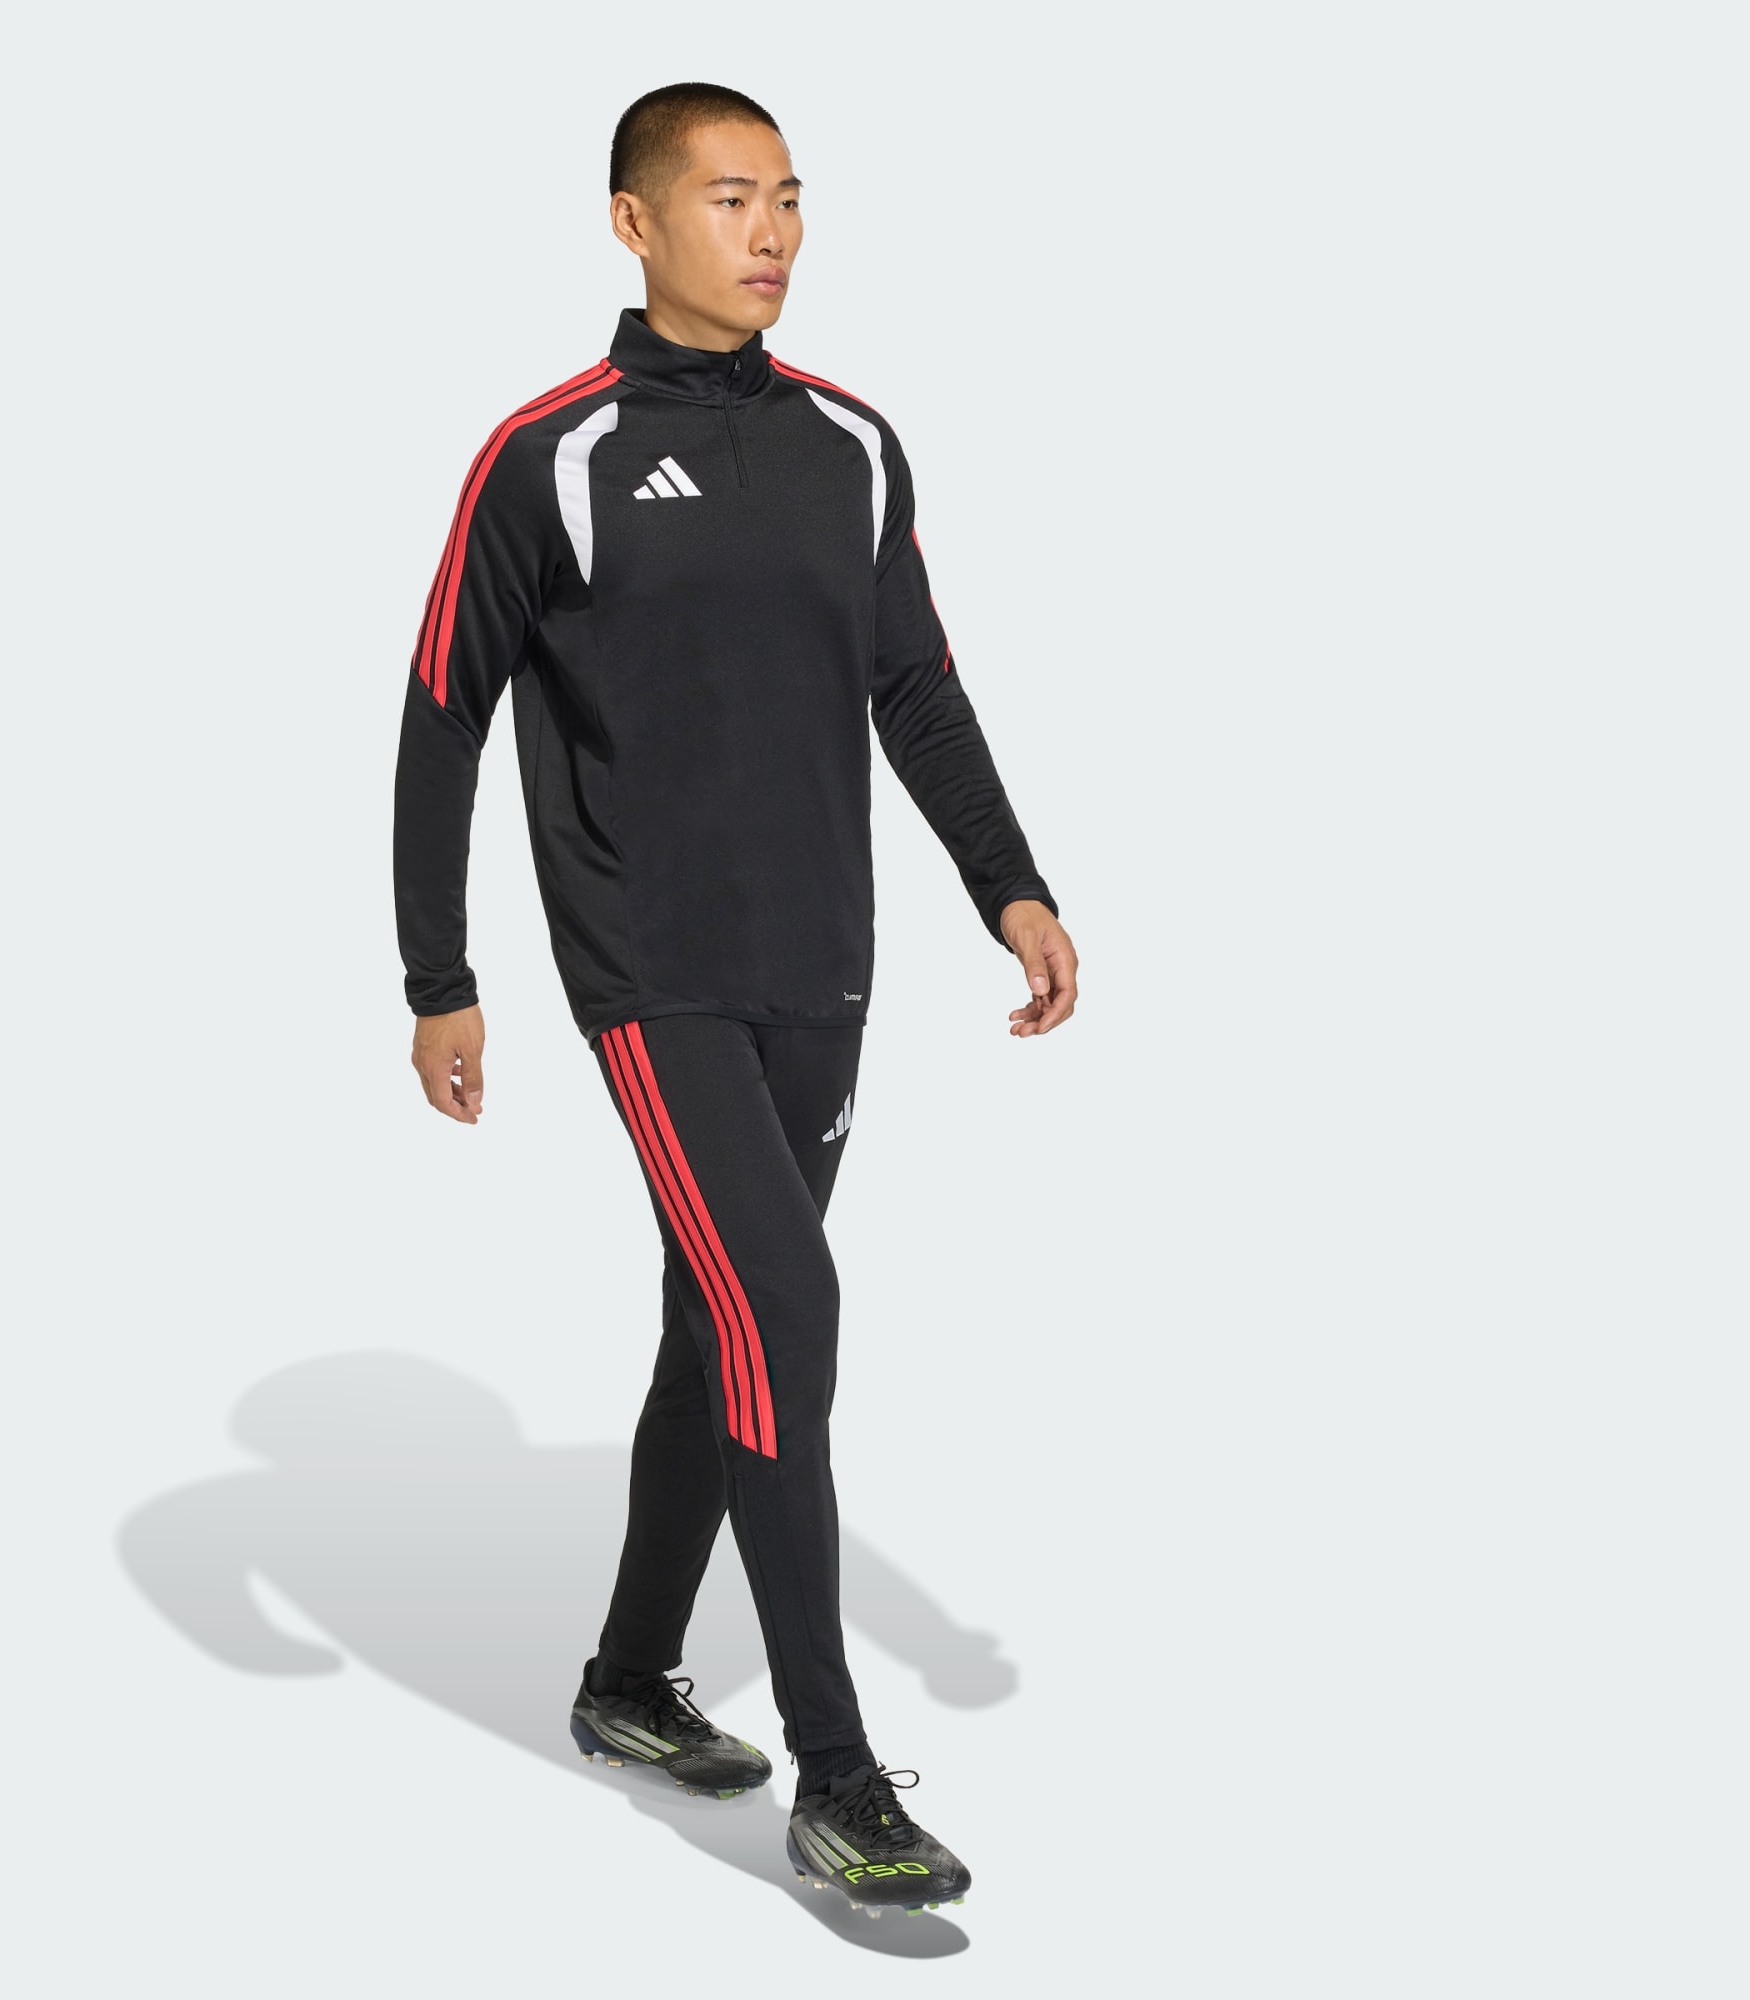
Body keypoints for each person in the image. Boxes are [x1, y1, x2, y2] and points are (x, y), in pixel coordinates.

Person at [393, 81, 1076, 1916]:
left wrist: (1007, 882)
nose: (769, 232)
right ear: (634, 223)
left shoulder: (852, 444)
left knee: (725, 1327)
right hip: (653, 974)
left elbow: (913, 684)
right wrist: (441, 974)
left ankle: (628, 1678)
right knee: (786, 1301)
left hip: (822, 963)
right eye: (726, 198)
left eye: (787, 198)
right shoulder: (552, 455)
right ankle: (839, 1781)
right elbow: (445, 708)